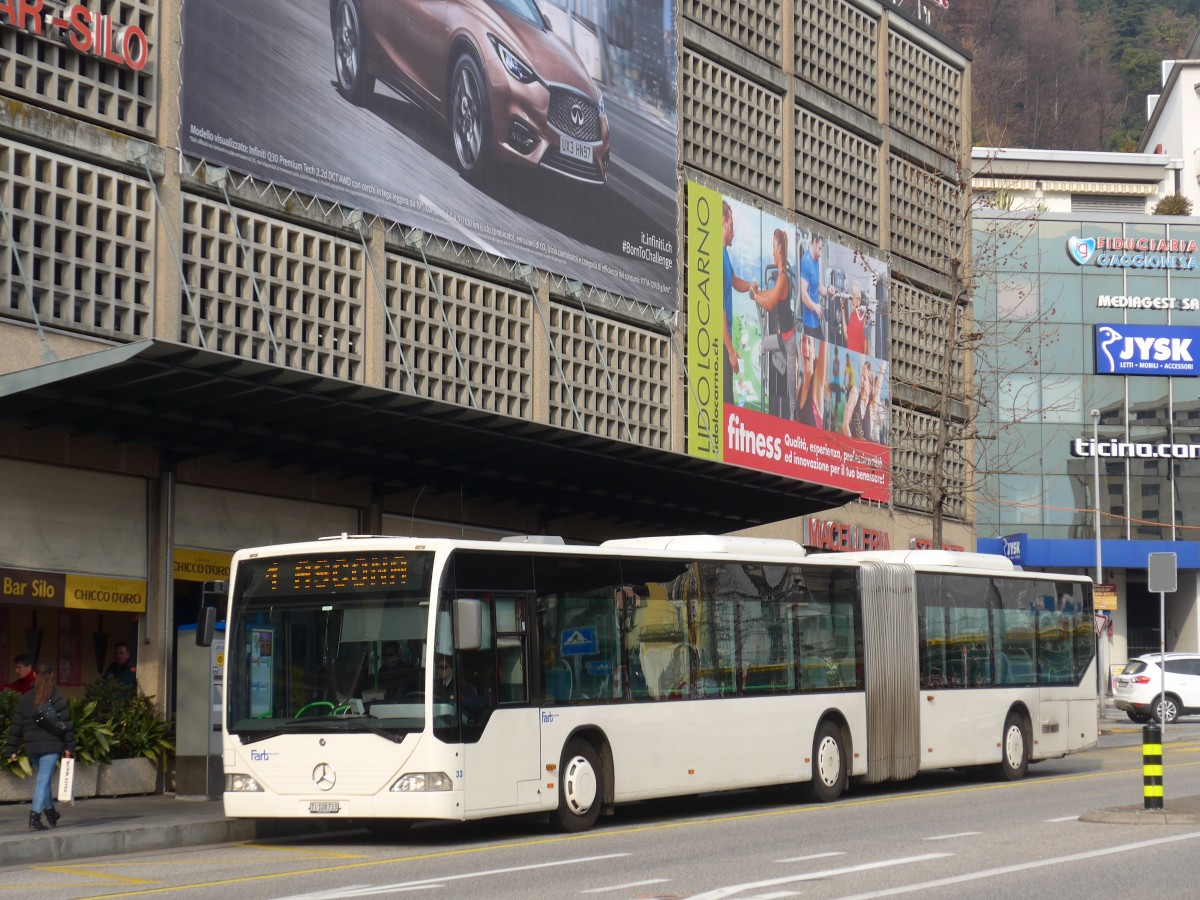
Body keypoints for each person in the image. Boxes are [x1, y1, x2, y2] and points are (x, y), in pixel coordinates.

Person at [4, 660, 73, 831]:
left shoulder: (25, 698)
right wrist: (70, 747)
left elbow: (16, 726)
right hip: (51, 746)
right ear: (51, 675)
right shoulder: (56, 696)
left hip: (32, 747)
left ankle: (50, 812)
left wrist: (11, 749)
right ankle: (35, 817)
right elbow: (66, 723)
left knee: (43, 780)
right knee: (43, 781)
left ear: (34, 675)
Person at [750, 228, 798, 420]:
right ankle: (783, 367)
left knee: (792, 397)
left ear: (779, 250)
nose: (771, 252)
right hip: (781, 339)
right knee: (763, 344)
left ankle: (795, 428)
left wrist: (755, 295)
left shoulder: (783, 278)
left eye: (773, 247)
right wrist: (757, 292)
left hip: (790, 341)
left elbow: (770, 304)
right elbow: (769, 295)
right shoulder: (779, 278)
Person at [721, 201, 756, 406]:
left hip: (725, 342)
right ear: (724, 223)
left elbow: (734, 281)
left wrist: (751, 286)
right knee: (727, 404)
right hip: (720, 344)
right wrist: (730, 350)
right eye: (732, 226)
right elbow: (720, 311)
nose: (734, 232)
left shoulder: (725, 254)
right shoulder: (716, 253)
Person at [799, 235, 831, 341]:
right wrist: (816, 307)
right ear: (814, 243)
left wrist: (828, 290)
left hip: (816, 321)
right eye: (820, 248)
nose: (821, 253)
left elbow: (818, 286)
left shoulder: (816, 261)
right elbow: (804, 295)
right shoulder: (805, 261)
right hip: (809, 323)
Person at [796, 332, 827, 429]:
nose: (806, 347)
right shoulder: (798, 391)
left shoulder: (817, 382)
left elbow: (824, 343)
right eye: (803, 341)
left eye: (809, 342)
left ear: (814, 353)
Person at [843, 282, 867, 354]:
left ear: (860, 300)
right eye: (852, 296)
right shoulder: (853, 315)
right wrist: (842, 308)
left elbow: (866, 347)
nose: (853, 300)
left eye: (855, 297)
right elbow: (847, 338)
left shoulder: (863, 318)